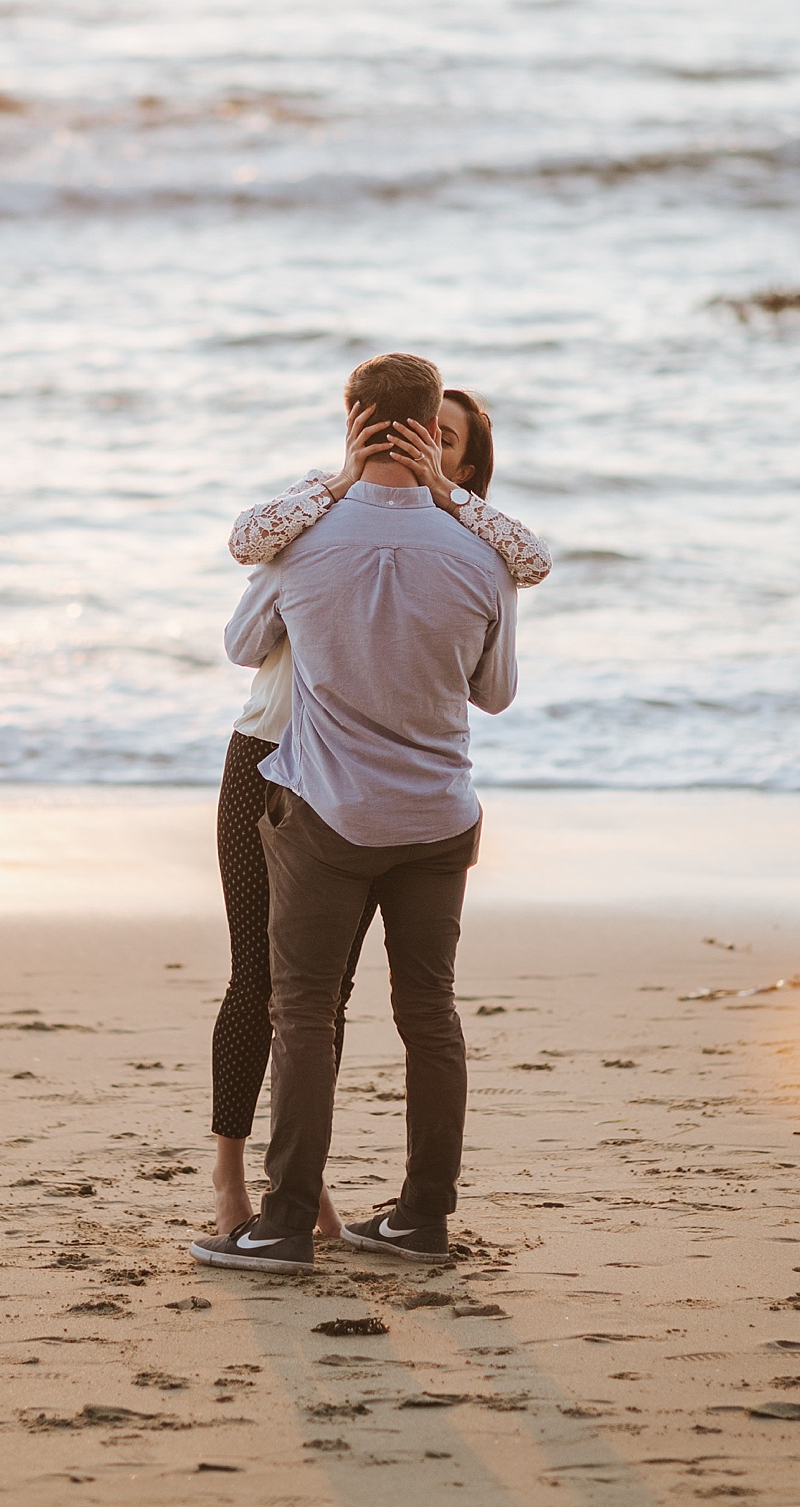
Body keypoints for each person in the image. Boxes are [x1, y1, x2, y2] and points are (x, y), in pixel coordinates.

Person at [192, 352, 520, 1274]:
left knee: (302, 1007)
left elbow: (244, 640)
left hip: (330, 805)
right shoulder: (486, 557)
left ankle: (287, 1220)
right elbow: (495, 692)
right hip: (429, 809)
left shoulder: (307, 541)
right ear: (418, 431)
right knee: (425, 1013)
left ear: (354, 418)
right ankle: (414, 1218)